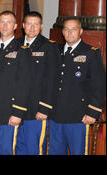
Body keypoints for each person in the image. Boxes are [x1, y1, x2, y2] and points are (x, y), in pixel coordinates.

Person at [48, 17, 106, 155]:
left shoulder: (90, 52)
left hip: (79, 117)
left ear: (81, 31)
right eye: (66, 29)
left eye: (73, 29)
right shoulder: (56, 51)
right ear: (62, 32)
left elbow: (99, 84)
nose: (69, 33)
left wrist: (93, 112)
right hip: (56, 115)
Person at [0, 11, 32, 155]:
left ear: (16, 26)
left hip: (9, 113)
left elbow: (24, 84)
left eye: (9, 22)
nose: (5, 25)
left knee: (7, 151)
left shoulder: (22, 51)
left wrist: (18, 112)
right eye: (2, 22)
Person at [15, 12, 60, 155]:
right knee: (18, 146)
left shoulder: (49, 46)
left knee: (33, 147)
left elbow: (53, 79)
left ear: (41, 26)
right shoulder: (15, 45)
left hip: (36, 109)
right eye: (29, 23)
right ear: (23, 26)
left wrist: (45, 108)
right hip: (16, 108)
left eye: (36, 24)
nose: (32, 27)